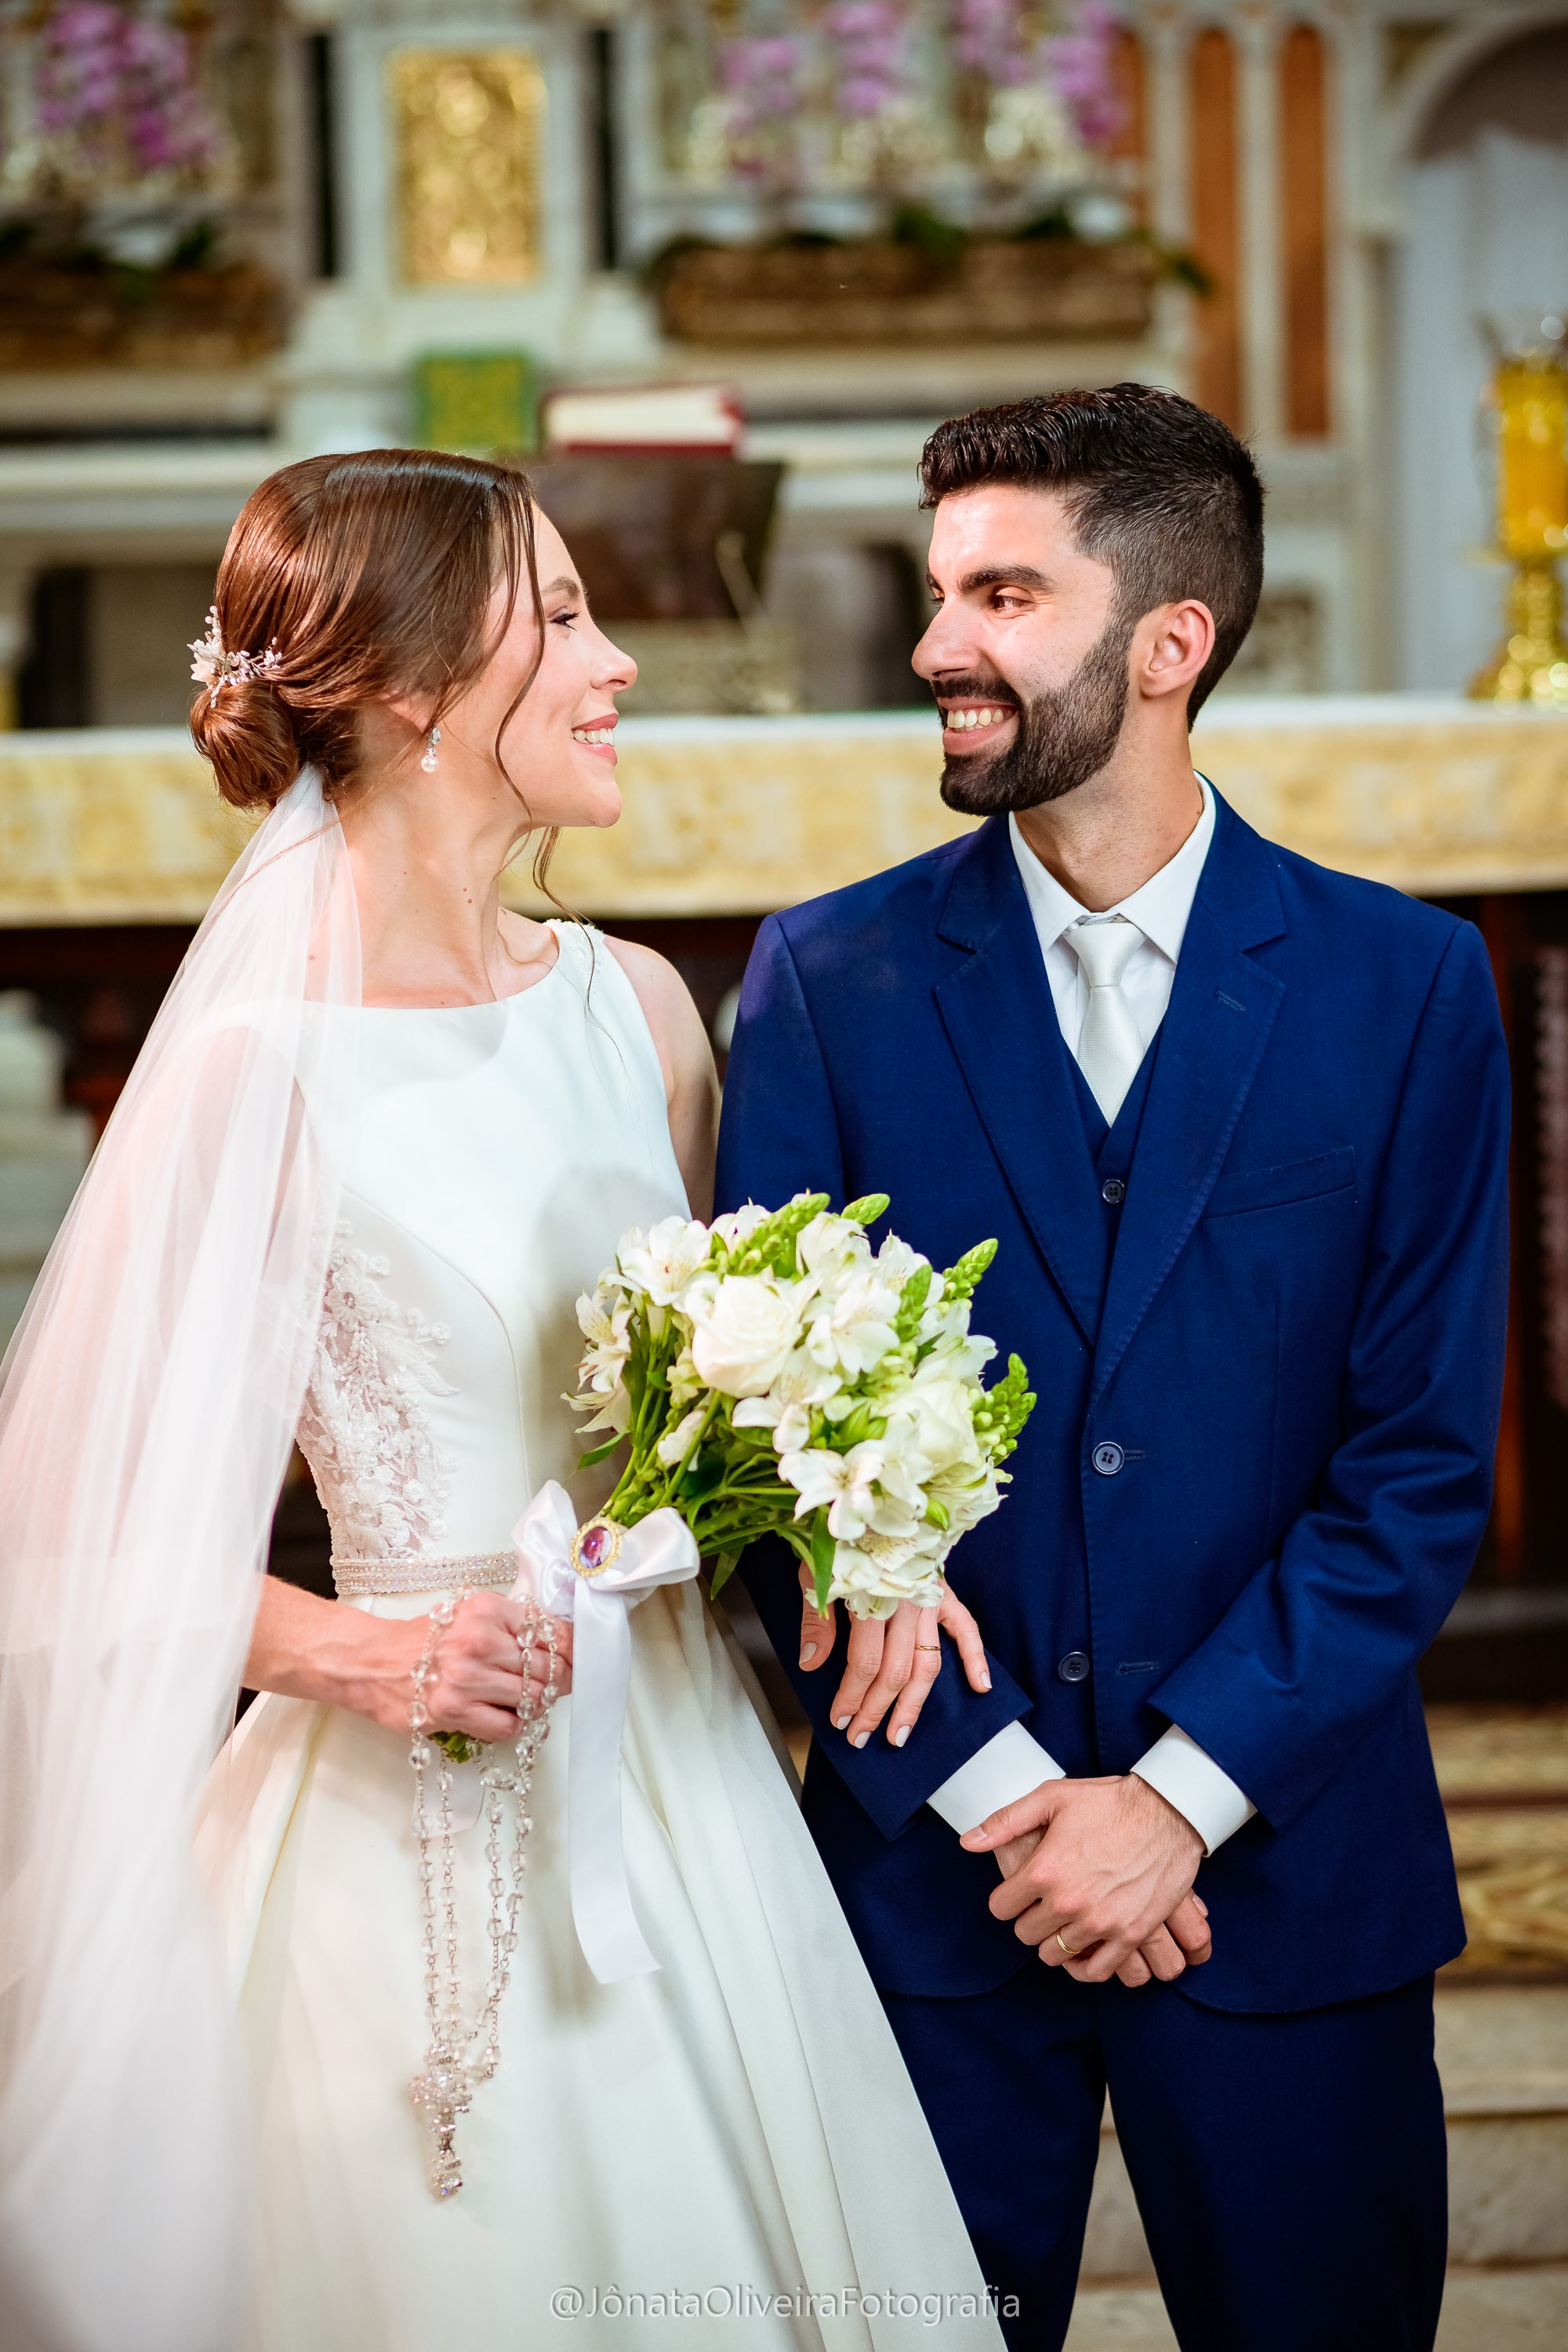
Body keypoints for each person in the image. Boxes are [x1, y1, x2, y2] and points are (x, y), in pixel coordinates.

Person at [0, 448, 1007, 2352]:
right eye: (559, 617)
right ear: (400, 684)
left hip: (687, 1763)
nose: (615, 661)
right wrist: (366, 1659)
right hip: (412, 1816)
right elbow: (61, 1548)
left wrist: (869, 1526)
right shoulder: (253, 1071)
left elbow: (750, 1384)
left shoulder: (632, 1009)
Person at [716, 385, 1511, 2352]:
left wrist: (1174, 1798)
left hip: (1285, 1879)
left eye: (1001, 594)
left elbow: (1413, 1473)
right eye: (933, 596)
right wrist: (1007, 1798)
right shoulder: (825, 981)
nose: (934, 650)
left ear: (1171, 644)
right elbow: (757, 1458)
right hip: (932, 1899)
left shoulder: (1404, 990)